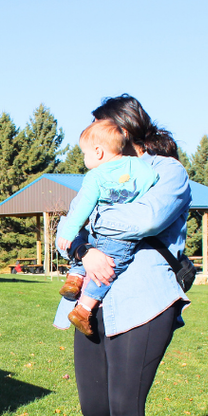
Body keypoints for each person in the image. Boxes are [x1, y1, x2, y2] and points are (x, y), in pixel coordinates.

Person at [59, 94, 191, 416]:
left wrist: (92, 216)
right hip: (97, 299)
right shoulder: (98, 175)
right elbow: (73, 229)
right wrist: (84, 249)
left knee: (124, 406)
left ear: (124, 129)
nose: (98, 137)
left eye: (103, 126)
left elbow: (145, 219)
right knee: (93, 407)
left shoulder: (166, 172)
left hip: (144, 299)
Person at [55, 119, 159, 337]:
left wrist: (68, 232)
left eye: (84, 154)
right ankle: (83, 308)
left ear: (99, 152)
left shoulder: (96, 176)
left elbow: (83, 207)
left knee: (96, 259)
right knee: (111, 267)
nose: (84, 159)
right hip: (119, 237)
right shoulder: (137, 165)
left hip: (95, 231)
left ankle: (76, 284)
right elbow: (153, 178)